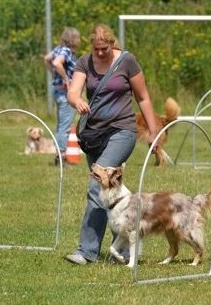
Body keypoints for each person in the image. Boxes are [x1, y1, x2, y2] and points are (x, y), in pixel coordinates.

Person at [65, 23, 159, 265]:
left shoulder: (127, 61)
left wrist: (153, 132)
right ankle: (125, 251)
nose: (99, 53)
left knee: (97, 186)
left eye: (104, 49)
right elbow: (73, 92)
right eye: (96, 49)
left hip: (122, 131)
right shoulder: (85, 62)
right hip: (93, 135)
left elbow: (143, 98)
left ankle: (86, 252)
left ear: (111, 44)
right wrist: (77, 101)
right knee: (112, 193)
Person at [44, 27, 81, 165]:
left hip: (57, 90)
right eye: (77, 38)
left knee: (61, 125)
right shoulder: (66, 51)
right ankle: (61, 156)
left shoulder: (58, 49)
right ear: (73, 39)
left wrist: (53, 74)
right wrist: (66, 78)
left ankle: (59, 154)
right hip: (66, 92)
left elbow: (47, 59)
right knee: (65, 126)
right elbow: (56, 62)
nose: (79, 41)